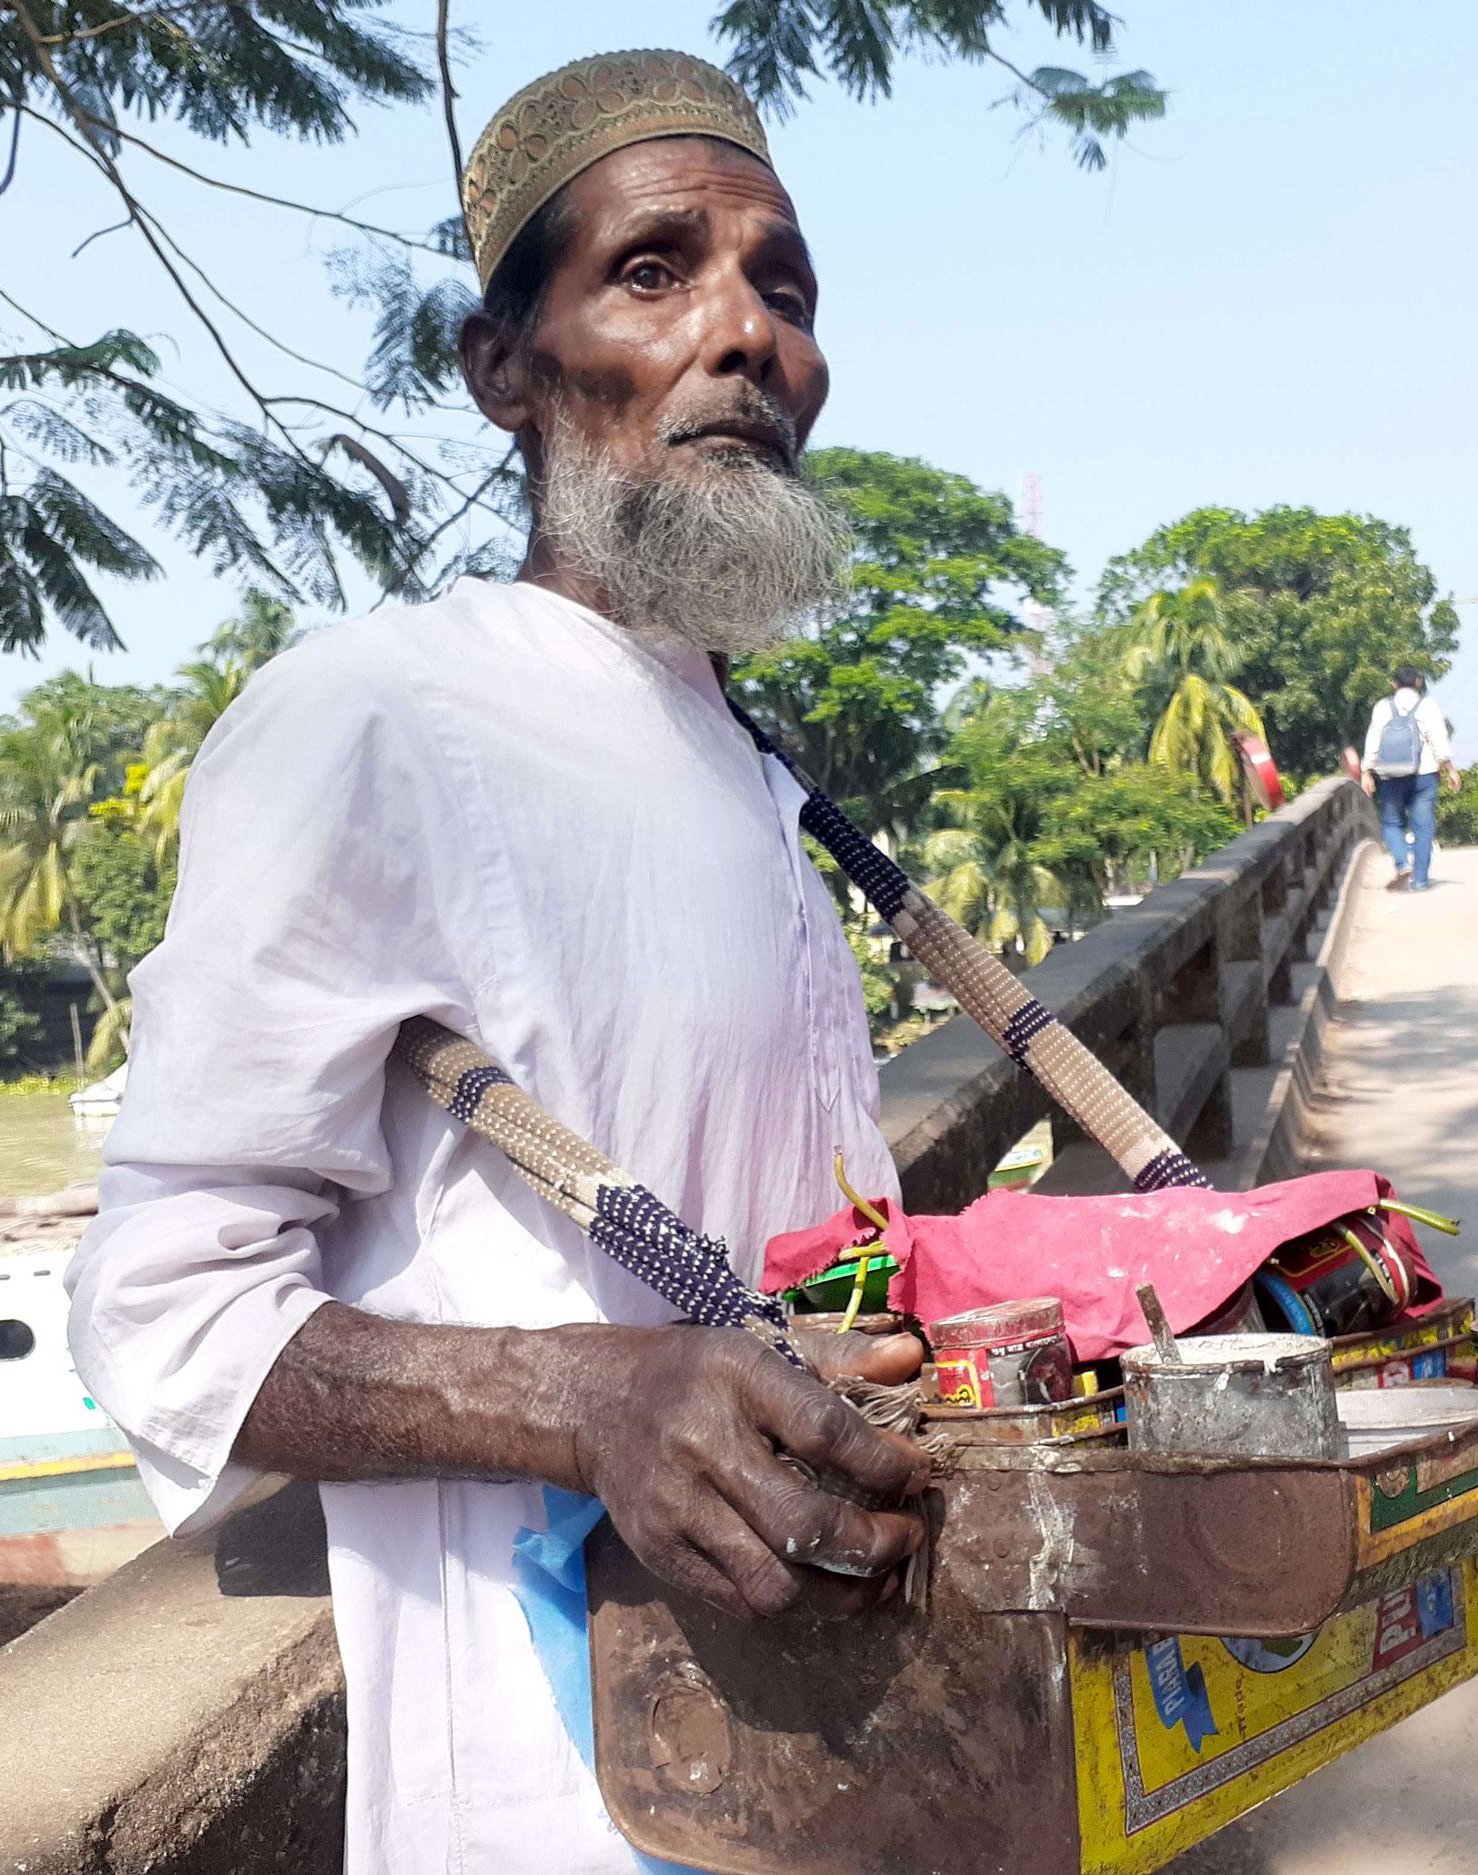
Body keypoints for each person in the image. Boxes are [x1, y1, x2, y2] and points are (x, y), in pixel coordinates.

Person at [63, 52, 931, 1873]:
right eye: (652, 272)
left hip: (841, 1761)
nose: (744, 334)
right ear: (499, 370)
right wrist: (589, 1398)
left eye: (785, 287)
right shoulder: (379, 715)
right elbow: (163, 1313)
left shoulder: (751, 758)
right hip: (557, 1800)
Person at [1361, 664, 1458, 890]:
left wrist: (1367, 771)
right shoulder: (1428, 705)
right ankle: (1421, 880)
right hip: (1424, 775)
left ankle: (1402, 861)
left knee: (1391, 822)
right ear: (1419, 682)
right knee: (1423, 827)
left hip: (1390, 775)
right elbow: (1438, 739)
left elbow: (1373, 740)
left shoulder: (1383, 707)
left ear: (1393, 684)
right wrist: (1450, 769)